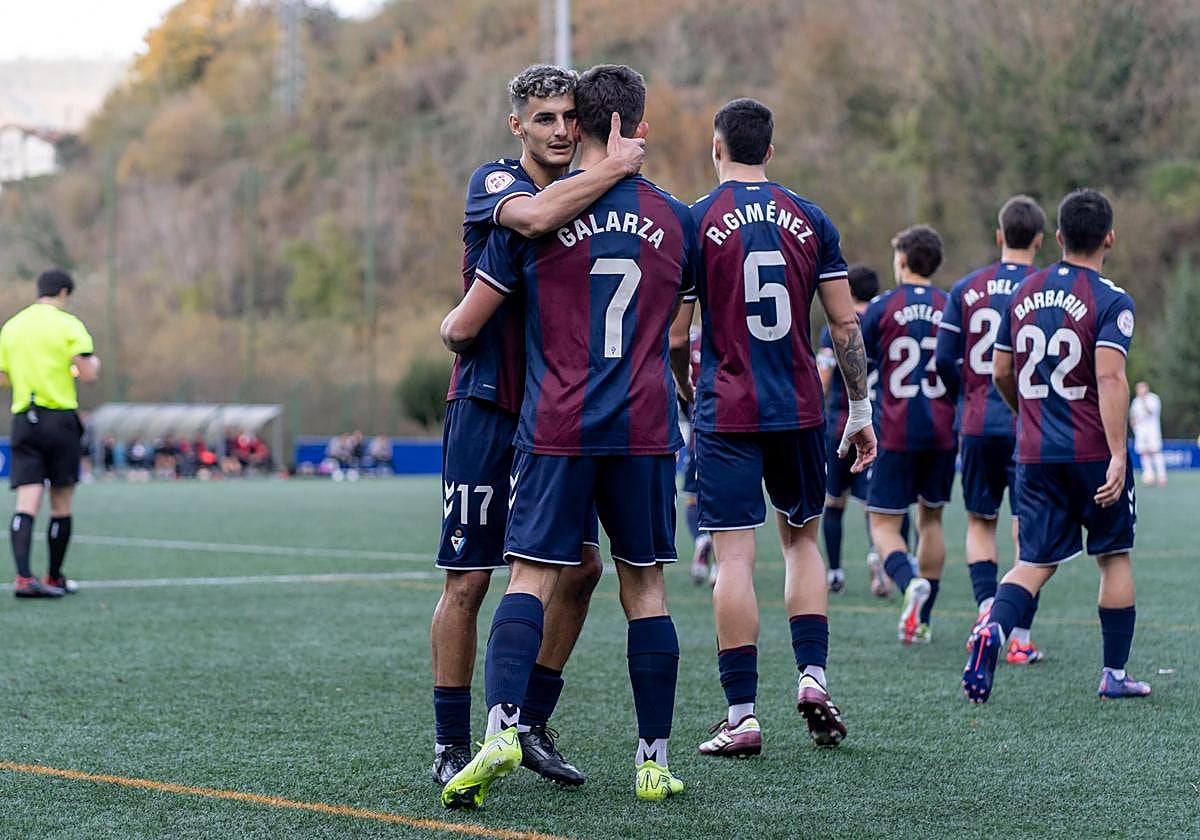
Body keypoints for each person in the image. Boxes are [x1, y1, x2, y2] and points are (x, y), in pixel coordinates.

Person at [439, 63, 692, 807]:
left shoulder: (541, 221)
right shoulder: (677, 219)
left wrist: (450, 327)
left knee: (537, 576)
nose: (555, 130)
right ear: (638, 127)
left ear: (582, 123)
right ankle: (651, 760)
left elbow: (462, 329)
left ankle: (506, 728)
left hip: (553, 418)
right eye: (541, 119)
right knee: (640, 585)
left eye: (564, 118)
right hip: (629, 423)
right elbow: (684, 326)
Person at [670, 98, 875, 758]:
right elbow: (844, 325)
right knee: (802, 541)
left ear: (716, 146)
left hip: (727, 409)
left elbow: (678, 336)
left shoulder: (696, 220)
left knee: (734, 555)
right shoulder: (811, 218)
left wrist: (684, 390)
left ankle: (742, 715)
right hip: (798, 408)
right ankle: (814, 679)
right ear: (772, 152)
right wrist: (862, 408)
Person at [964, 188, 1149, 702]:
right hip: (1091, 450)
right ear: (1109, 237)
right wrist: (1117, 453)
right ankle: (1114, 675)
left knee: (1033, 561)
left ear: (1061, 237)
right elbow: (1110, 379)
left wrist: (1027, 411)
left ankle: (990, 632)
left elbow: (1000, 370)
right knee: (1113, 556)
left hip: (1035, 449)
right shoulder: (1112, 299)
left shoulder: (1022, 293)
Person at [935, 195, 1046, 663]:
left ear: (1000, 236)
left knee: (981, 521)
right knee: (1028, 529)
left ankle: (986, 612)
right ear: (1040, 241)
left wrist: (968, 396)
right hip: (1031, 425)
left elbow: (943, 359)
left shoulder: (965, 288)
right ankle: (1017, 634)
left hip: (979, 420)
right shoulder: (1047, 288)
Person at [861, 225, 956, 644]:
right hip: (942, 431)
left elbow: (857, 368)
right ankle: (922, 621)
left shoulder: (881, 308)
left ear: (901, 260)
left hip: (894, 429)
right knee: (930, 519)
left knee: (882, 522)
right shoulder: (951, 306)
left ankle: (907, 580)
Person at [0, 269, 100, 597]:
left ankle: (24, 579)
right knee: (61, 503)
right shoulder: (68, 324)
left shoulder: (12, 327)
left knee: (27, 502)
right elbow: (87, 373)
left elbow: (3, 376)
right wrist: (90, 365)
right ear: (63, 293)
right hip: (59, 418)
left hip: (23, 418)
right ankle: (55, 576)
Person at [817, 263, 894, 596]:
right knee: (872, 506)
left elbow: (822, 378)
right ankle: (877, 556)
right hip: (877, 425)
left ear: (847, 291)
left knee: (834, 502)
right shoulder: (884, 324)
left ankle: (835, 572)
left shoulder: (836, 327)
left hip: (839, 426)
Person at [1130, 382, 1166, 486]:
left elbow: (1150, 412)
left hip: (1152, 431)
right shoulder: (1135, 401)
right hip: (1140, 431)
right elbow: (1133, 416)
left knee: (1155, 451)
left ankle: (1161, 476)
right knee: (1143, 452)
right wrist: (1134, 427)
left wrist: (1144, 400)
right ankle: (1149, 475)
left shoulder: (1153, 399)